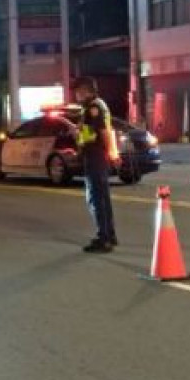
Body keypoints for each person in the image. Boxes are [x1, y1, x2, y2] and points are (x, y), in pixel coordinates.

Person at [73, 77, 120, 252]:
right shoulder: (96, 106)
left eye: (78, 90)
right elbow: (93, 132)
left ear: (86, 90)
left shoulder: (94, 108)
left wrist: (111, 153)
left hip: (95, 156)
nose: (76, 94)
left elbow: (103, 132)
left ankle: (104, 238)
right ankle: (109, 234)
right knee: (102, 197)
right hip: (94, 155)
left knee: (97, 197)